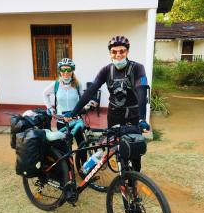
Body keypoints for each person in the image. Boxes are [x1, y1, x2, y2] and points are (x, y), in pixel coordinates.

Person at [64, 36, 150, 171]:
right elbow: (91, 91)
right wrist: (74, 111)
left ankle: (133, 180)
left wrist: (142, 118)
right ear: (110, 54)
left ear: (127, 52)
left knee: (134, 149)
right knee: (117, 148)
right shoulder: (106, 70)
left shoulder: (138, 68)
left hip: (133, 115)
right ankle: (122, 177)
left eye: (122, 51)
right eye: (114, 52)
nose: (118, 55)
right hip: (115, 115)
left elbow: (141, 92)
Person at [43, 58, 84, 146]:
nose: (66, 72)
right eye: (63, 69)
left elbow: (83, 98)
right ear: (60, 71)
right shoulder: (56, 84)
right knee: (64, 147)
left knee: (81, 145)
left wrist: (87, 105)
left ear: (72, 70)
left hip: (75, 120)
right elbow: (44, 94)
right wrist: (50, 107)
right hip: (62, 121)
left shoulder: (77, 84)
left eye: (68, 69)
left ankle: (82, 160)